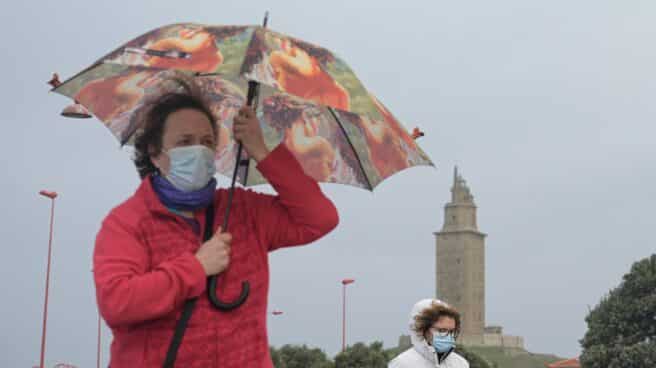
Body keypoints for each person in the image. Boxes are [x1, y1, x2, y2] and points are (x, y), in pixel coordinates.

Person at [93, 91, 339, 367]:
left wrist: (261, 150)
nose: (198, 150)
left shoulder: (245, 211)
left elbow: (319, 218)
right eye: (184, 142)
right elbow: (117, 302)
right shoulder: (127, 222)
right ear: (155, 152)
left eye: (207, 142)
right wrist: (195, 268)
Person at [389, 299, 470, 368]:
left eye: (452, 331)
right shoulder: (402, 364)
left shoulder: (460, 364)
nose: (448, 336)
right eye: (442, 330)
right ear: (423, 330)